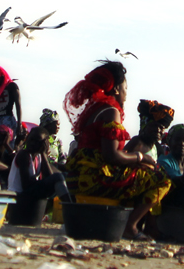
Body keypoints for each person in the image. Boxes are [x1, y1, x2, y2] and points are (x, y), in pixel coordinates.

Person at [62, 60, 170, 240]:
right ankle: (130, 226)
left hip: (76, 178)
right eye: (126, 88)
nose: (127, 94)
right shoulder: (111, 112)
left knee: (140, 173)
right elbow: (111, 156)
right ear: (117, 89)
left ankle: (125, 223)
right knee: (162, 179)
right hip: (94, 179)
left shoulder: (93, 110)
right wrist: (141, 157)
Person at [7, 126, 70, 209]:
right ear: (27, 139)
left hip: (27, 194)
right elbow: (26, 185)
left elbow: (49, 177)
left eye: (37, 141)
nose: (32, 143)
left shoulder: (39, 157)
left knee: (64, 176)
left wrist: (43, 154)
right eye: (31, 139)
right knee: (58, 177)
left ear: (44, 144)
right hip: (18, 196)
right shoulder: (23, 154)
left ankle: (68, 206)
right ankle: (69, 206)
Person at [0, 66, 21, 140]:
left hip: (7, 120)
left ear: (1, 77)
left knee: (5, 142)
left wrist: (19, 124)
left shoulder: (12, 86)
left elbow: (18, 105)